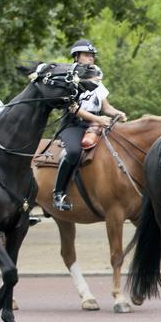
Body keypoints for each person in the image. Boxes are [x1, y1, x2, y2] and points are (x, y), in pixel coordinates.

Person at [52, 39, 126, 211]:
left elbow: (106, 107)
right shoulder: (71, 80)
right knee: (73, 152)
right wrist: (98, 119)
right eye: (87, 55)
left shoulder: (97, 80)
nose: (91, 58)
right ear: (77, 57)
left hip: (96, 126)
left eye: (92, 55)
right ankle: (58, 193)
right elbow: (73, 108)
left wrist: (117, 113)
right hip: (74, 126)